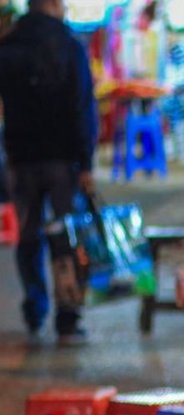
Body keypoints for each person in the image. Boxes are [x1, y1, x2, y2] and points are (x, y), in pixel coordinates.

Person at [0, 0, 96, 345]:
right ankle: (67, 320)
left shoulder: (9, 45)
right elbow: (83, 106)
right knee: (65, 238)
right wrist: (86, 163)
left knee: (29, 237)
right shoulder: (68, 44)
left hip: (21, 157)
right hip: (61, 160)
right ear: (54, 5)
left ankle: (34, 309)